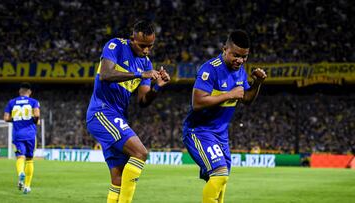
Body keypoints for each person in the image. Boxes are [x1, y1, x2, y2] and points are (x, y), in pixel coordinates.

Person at [86, 20, 170, 203]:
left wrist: (157, 88)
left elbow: (143, 101)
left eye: (150, 46)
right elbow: (106, 74)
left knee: (118, 178)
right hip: (101, 111)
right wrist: (140, 75)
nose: (146, 50)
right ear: (133, 38)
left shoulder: (146, 64)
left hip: (117, 115)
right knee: (140, 153)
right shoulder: (115, 45)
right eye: (142, 45)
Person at [182, 30, 267, 203]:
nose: (240, 60)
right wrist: (229, 94)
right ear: (224, 49)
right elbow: (197, 103)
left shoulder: (240, 71)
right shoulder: (210, 69)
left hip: (221, 135)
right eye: (236, 55)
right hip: (199, 131)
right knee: (219, 174)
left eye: (244, 57)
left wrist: (257, 83)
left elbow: (246, 99)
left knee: (221, 181)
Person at [3, 82, 40, 194]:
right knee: (29, 160)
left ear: (20, 91)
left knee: (20, 157)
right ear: (30, 92)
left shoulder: (12, 102)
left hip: (17, 134)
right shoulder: (34, 102)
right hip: (30, 134)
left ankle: (20, 173)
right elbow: (37, 114)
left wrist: (15, 120)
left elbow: (5, 118)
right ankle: (27, 186)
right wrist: (35, 121)